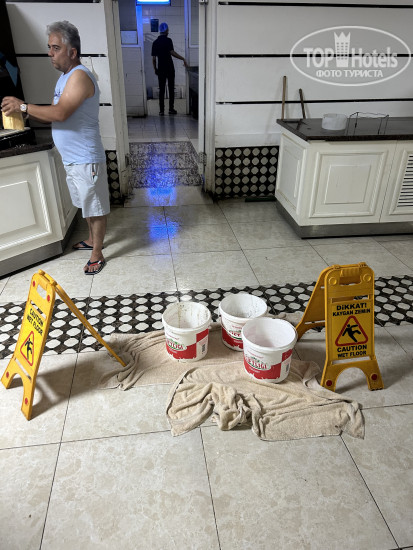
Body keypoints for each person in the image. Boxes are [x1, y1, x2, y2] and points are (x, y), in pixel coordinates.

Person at [1, 20, 109, 275]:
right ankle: (92, 240)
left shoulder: (79, 76)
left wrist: (23, 106)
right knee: (86, 203)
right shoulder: (64, 78)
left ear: (72, 52)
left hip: (85, 157)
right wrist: (25, 113)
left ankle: (97, 253)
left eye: (55, 48)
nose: (50, 53)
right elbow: (53, 114)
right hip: (73, 158)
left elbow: (60, 113)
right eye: (49, 47)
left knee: (95, 206)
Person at [151, 22, 187, 116]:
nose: (168, 31)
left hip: (161, 68)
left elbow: (154, 59)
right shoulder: (168, 40)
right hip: (170, 68)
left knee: (162, 90)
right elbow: (172, 52)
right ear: (166, 30)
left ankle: (161, 111)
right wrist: (182, 58)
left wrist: (155, 69)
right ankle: (171, 109)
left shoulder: (155, 43)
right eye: (168, 30)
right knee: (171, 89)